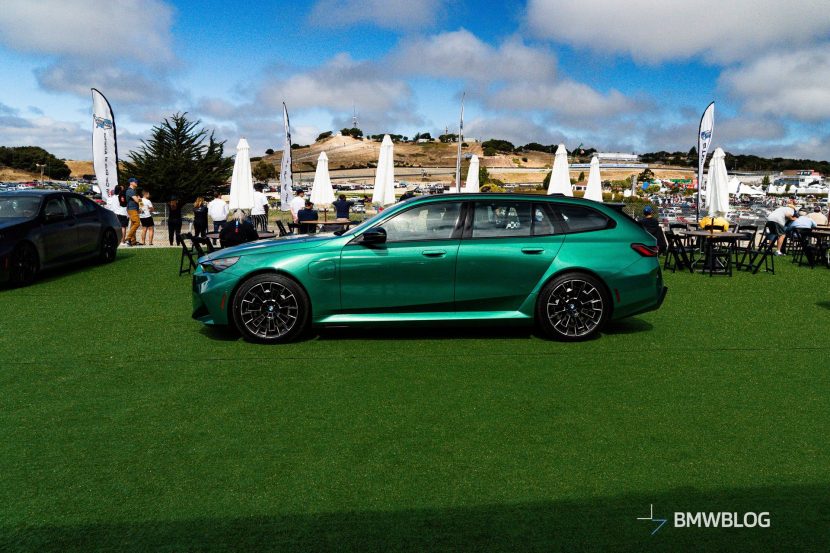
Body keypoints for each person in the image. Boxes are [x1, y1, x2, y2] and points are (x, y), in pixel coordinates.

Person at [124, 178, 141, 246]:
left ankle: (133, 241)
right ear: (131, 183)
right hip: (132, 209)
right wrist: (140, 200)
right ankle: (128, 239)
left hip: (134, 209)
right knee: (137, 223)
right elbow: (137, 200)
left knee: (133, 225)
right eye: (135, 182)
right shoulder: (130, 191)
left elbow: (138, 201)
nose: (136, 182)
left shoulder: (133, 191)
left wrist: (140, 207)